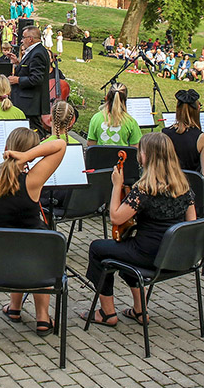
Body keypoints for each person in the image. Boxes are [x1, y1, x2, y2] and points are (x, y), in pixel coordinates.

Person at [83, 133, 196, 326]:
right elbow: (191, 222)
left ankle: (107, 313)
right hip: (176, 256)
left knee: (98, 249)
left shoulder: (144, 189)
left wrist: (116, 186)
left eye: (141, 151)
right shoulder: (183, 186)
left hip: (149, 255)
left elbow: (116, 217)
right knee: (124, 252)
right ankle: (140, 310)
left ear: (148, 157)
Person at [0, 130, 66, 334]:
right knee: (38, 243)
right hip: (35, 264)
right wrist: (28, 157)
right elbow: (60, 144)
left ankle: (14, 307)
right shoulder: (32, 181)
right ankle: (42, 317)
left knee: (14, 240)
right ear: (32, 152)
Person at [161, 89, 204, 181]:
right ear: (197, 110)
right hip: (191, 189)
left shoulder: (165, 133)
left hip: (169, 186)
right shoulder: (203, 139)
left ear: (177, 109)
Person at [8, 25, 51, 129]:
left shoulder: (38, 53)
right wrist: (19, 63)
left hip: (31, 104)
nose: (22, 41)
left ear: (30, 39)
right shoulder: (35, 50)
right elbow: (30, 69)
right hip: (28, 102)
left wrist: (17, 80)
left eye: (23, 37)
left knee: (33, 131)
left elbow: (37, 79)